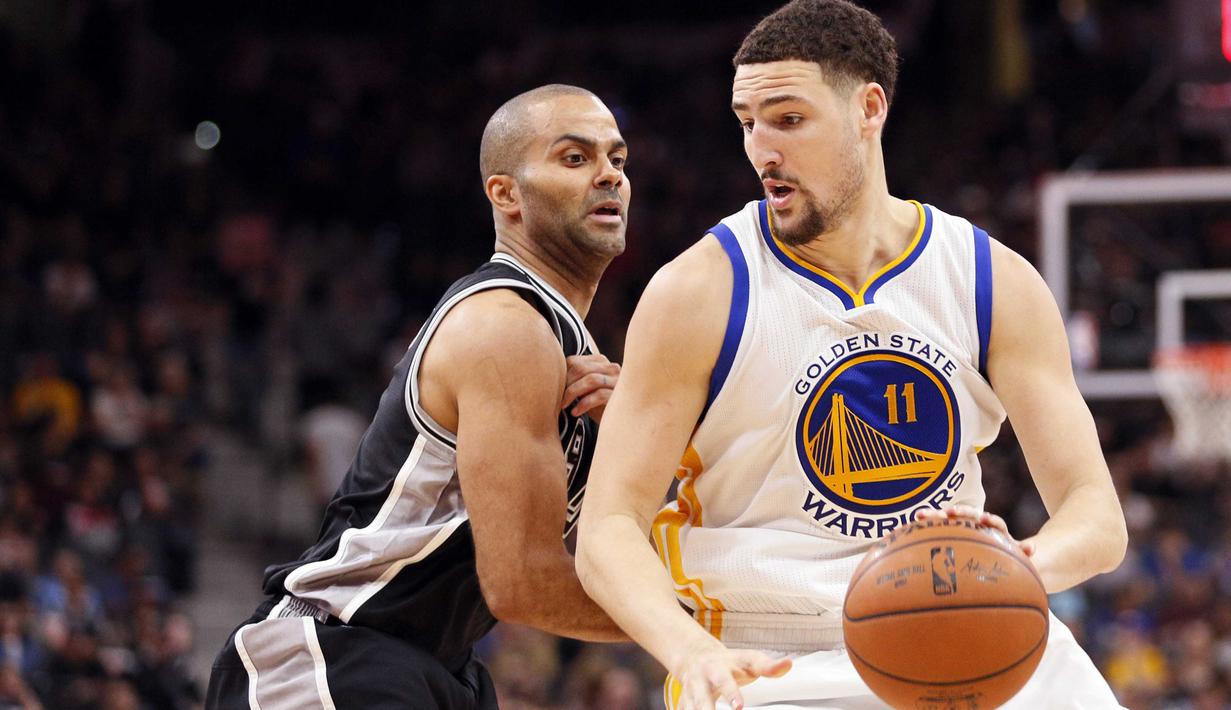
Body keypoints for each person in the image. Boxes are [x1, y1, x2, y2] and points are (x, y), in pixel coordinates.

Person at [575, 2, 1128, 709]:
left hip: (970, 624)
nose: (761, 149)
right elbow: (608, 528)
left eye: (788, 119)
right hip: (773, 656)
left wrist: (1015, 566)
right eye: (747, 122)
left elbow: (1094, 516)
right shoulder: (696, 292)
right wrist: (689, 652)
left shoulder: (992, 280)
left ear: (869, 108)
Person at [206, 83, 631, 710]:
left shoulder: (569, 345)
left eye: (618, 160)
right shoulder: (505, 324)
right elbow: (522, 583)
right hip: (338, 650)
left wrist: (642, 437)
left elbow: (604, 551)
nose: (608, 176)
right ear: (505, 193)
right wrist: (710, 625)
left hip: (435, 665)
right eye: (575, 158)